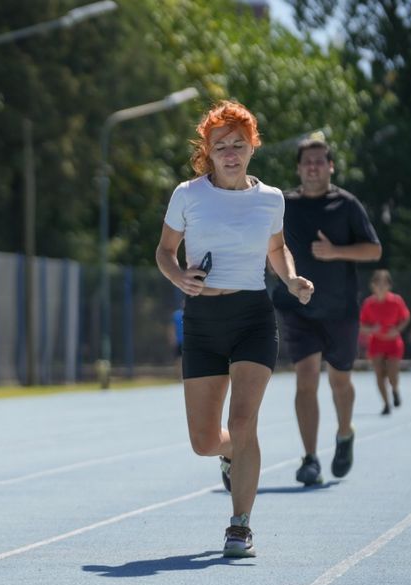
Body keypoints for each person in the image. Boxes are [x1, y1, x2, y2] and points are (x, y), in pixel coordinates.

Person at [155, 100, 314, 559]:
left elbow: (278, 247)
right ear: (208, 150)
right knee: (205, 441)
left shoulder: (271, 198)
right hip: (202, 320)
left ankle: (239, 525)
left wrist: (290, 277)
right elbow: (165, 251)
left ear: (252, 147)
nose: (230, 152)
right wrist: (178, 277)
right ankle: (229, 454)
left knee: (243, 422)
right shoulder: (188, 194)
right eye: (220, 145)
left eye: (238, 144)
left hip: (252, 318)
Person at [272, 137, 381, 486]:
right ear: (299, 168)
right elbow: (267, 242)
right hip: (296, 307)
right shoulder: (282, 204)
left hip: (340, 309)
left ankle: (345, 432)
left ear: (331, 166)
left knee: (340, 381)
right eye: (308, 162)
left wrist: (335, 252)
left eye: (320, 161)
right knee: (305, 379)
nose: (314, 166)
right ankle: (310, 459)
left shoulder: (346, 205)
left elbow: (373, 251)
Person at [360, 269, 410, 415]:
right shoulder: (368, 304)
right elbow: (362, 326)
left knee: (392, 373)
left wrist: (397, 330)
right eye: (378, 284)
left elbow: (406, 318)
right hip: (376, 342)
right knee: (379, 374)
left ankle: (394, 389)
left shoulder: (396, 301)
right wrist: (371, 329)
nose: (381, 287)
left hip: (393, 342)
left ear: (389, 286)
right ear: (372, 286)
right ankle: (386, 404)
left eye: (384, 284)